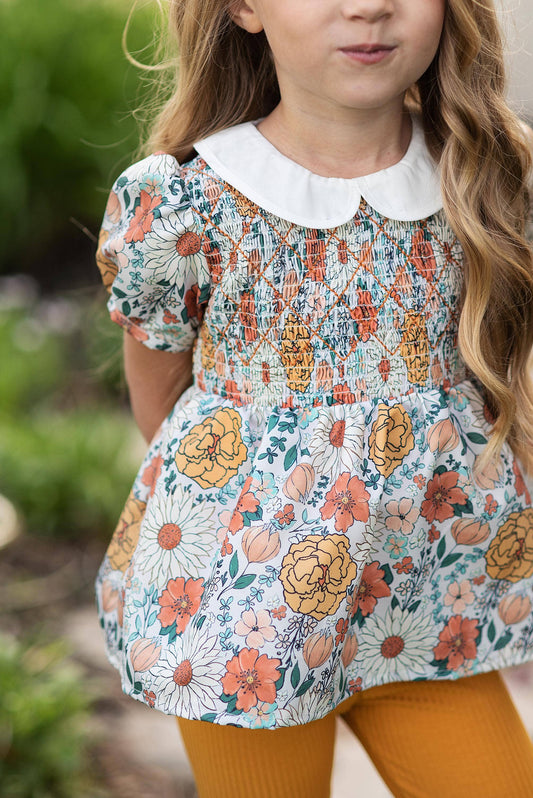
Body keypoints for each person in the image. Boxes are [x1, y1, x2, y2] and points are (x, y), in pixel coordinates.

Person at [94, 0, 533, 795]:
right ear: (244, 8)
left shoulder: (481, 174)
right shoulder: (187, 201)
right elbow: (161, 400)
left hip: (425, 615)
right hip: (248, 628)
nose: (367, 6)